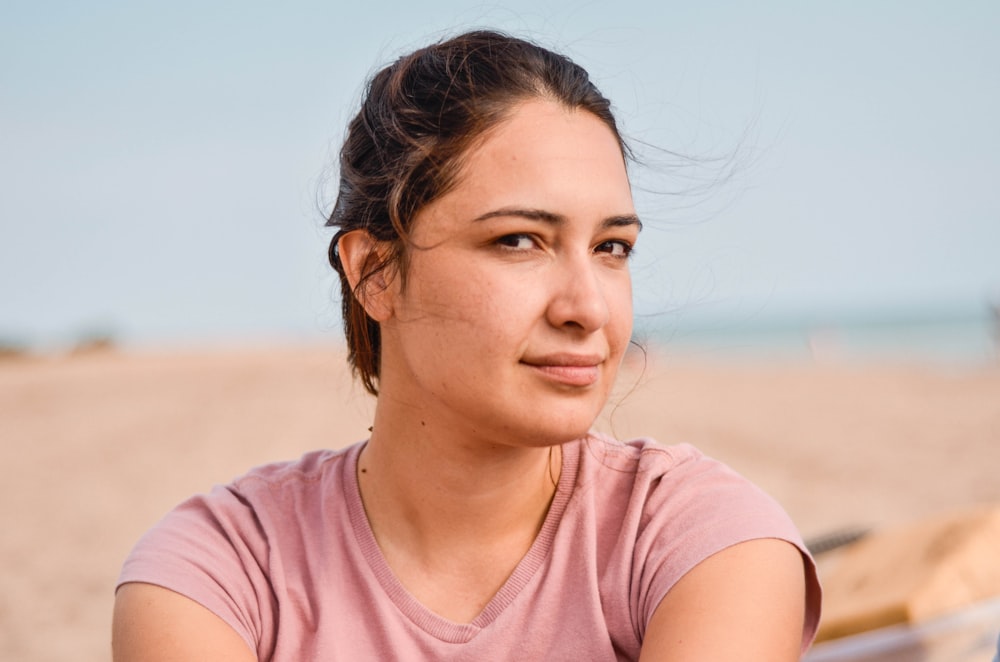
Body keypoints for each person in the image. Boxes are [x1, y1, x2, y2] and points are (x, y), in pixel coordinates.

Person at [112, 30, 821, 660]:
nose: (588, 308)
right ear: (375, 272)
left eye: (611, 247)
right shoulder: (218, 571)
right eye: (518, 241)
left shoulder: (705, 541)